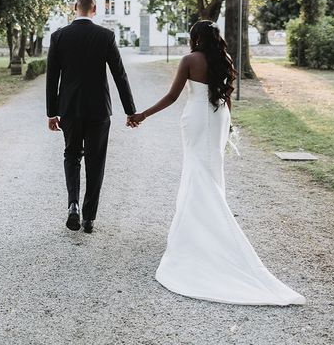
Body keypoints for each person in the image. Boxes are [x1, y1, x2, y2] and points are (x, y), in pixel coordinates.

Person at [128, 20, 306, 306]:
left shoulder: (189, 60)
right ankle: (205, 222)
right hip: (219, 116)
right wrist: (229, 124)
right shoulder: (224, 58)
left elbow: (173, 96)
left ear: (196, 38)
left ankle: (200, 230)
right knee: (210, 170)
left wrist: (143, 115)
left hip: (198, 116)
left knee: (197, 170)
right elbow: (228, 96)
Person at [46, 0, 137, 234]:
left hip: (70, 109)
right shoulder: (105, 36)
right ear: (95, 9)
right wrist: (130, 110)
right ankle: (89, 218)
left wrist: (51, 113)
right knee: (96, 162)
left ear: (75, 7)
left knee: (72, 156)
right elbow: (120, 74)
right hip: (98, 110)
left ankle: (73, 205)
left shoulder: (59, 36)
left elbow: (52, 78)